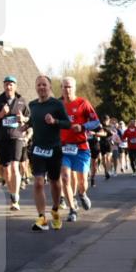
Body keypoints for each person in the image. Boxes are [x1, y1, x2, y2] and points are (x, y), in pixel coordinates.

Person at [28, 76, 72, 231]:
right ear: (35, 87)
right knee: (38, 182)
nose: (41, 87)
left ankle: (54, 210)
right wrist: (24, 126)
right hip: (38, 149)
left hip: (54, 149)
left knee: (54, 182)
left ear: (49, 87)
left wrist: (55, 122)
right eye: (38, 84)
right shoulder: (32, 105)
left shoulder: (57, 104)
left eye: (44, 85)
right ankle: (42, 218)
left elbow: (68, 123)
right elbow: (32, 121)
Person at [58, 76, 99, 222]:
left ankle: (82, 194)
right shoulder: (58, 105)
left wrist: (82, 127)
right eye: (64, 87)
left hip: (81, 147)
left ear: (74, 88)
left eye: (69, 87)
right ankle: (72, 209)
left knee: (82, 181)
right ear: (61, 88)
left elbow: (96, 122)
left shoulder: (83, 103)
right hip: (64, 148)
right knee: (65, 177)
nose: (67, 90)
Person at [0, 76, 29, 211]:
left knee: (15, 166)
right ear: (3, 86)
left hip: (17, 137)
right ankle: (12, 194)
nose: (8, 87)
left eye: (11, 84)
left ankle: (15, 197)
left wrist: (23, 118)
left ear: (15, 86)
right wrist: (1, 114)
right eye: (6, 84)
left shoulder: (22, 101)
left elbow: (30, 118)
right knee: (7, 170)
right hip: (2, 139)